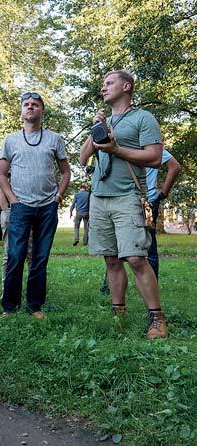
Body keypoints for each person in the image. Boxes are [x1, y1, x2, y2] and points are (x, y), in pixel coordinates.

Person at [79, 70, 167, 339]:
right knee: (111, 259)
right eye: (103, 84)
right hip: (99, 197)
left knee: (135, 258)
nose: (103, 88)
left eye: (109, 83)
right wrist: (97, 129)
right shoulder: (104, 121)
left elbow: (154, 157)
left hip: (129, 196)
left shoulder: (143, 118)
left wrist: (117, 149)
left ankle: (157, 319)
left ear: (126, 86)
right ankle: (119, 312)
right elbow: (83, 158)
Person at [0, 92, 71, 320]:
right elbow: (1, 174)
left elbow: (66, 171)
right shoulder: (10, 140)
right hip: (20, 207)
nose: (31, 108)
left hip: (47, 207)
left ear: (42, 110)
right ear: (21, 111)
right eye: (27, 105)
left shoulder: (54, 139)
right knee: (15, 256)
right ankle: (9, 308)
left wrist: (57, 197)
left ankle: (34, 306)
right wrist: (12, 199)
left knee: (40, 258)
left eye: (35, 105)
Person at [146, 149, 180, 279]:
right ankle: (152, 283)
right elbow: (175, 166)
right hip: (148, 202)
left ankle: (108, 287)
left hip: (145, 203)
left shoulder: (153, 148)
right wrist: (162, 194)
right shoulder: (154, 148)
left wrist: (163, 193)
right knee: (150, 244)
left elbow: (175, 166)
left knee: (116, 243)